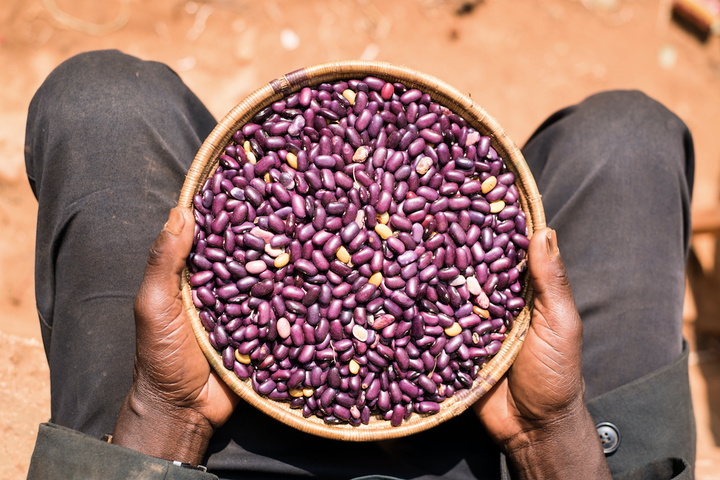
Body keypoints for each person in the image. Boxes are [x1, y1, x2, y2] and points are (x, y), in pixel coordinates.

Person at [24, 50, 695, 479]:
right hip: (507, 435)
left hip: (202, 437)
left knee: (101, 100)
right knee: (629, 139)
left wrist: (168, 413)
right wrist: (548, 432)